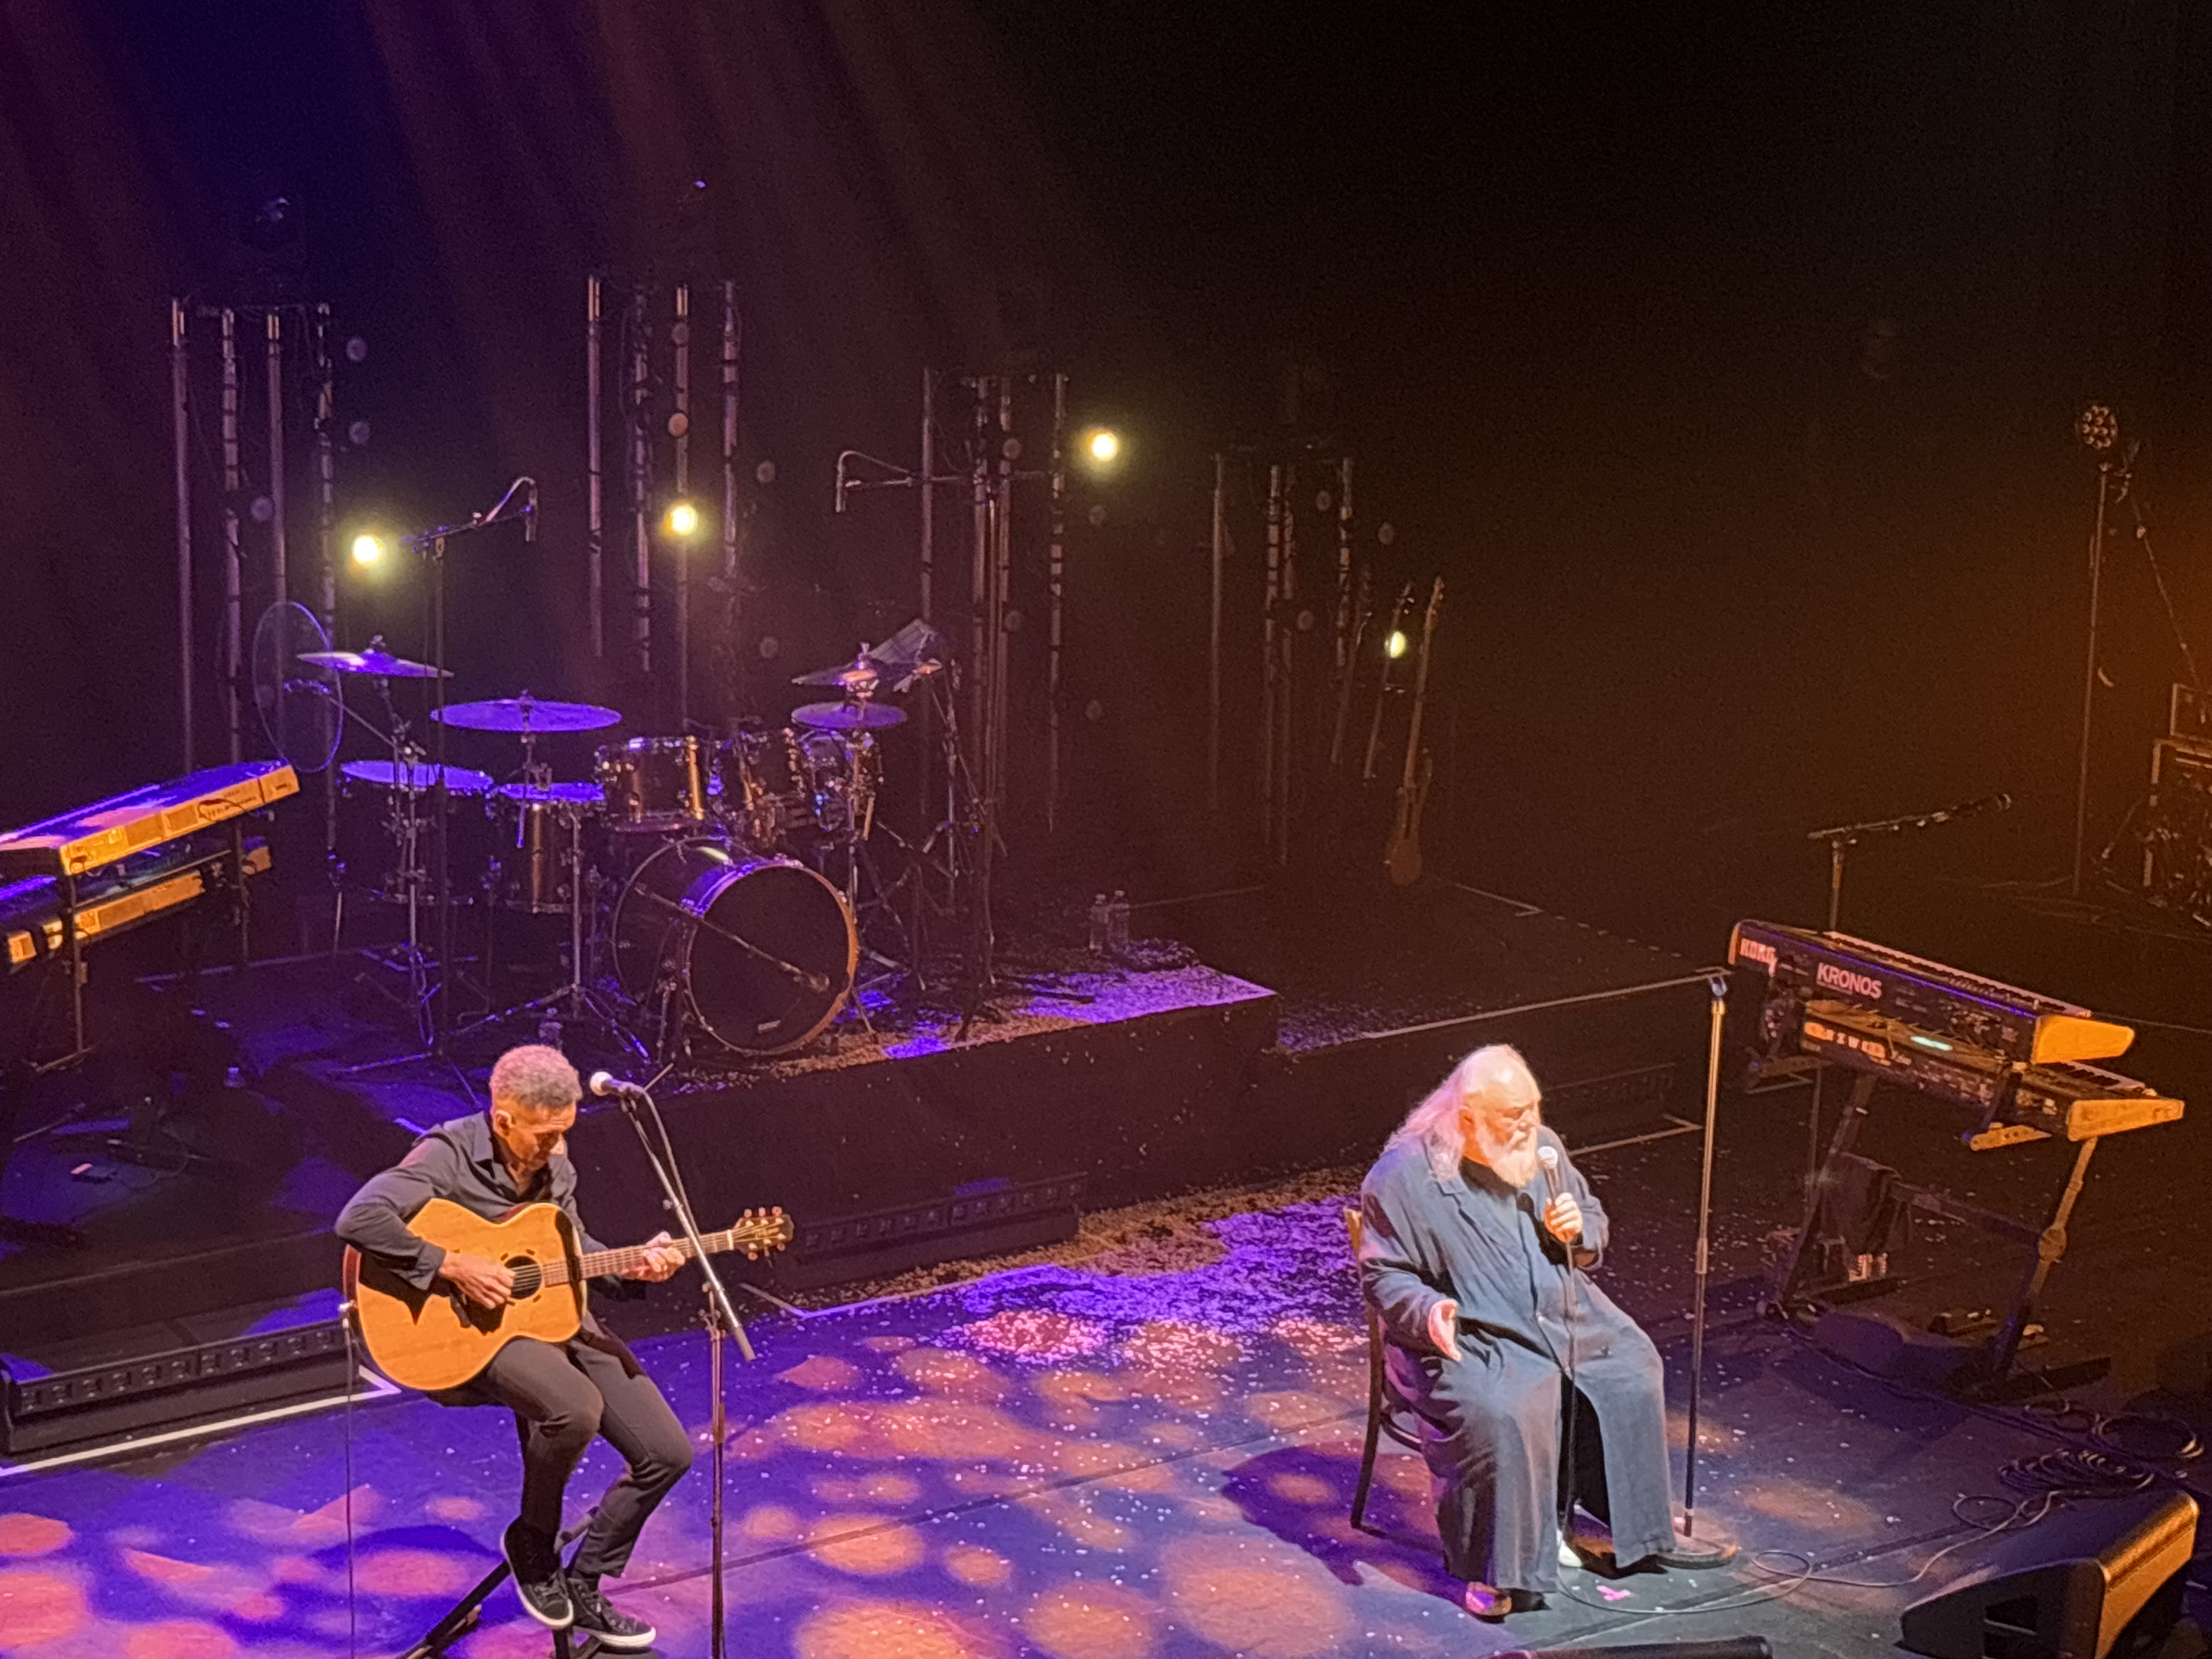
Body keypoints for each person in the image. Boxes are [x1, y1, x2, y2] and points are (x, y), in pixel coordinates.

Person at [336, 1045, 691, 1650]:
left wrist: (631, 1267)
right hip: (473, 1332)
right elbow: (359, 1218)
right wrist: (450, 1264)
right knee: (574, 1408)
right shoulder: (447, 1154)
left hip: (556, 1316)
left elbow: (568, 1251)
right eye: (544, 1135)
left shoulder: (558, 1166)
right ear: (504, 1120)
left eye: (564, 1132)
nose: (556, 1147)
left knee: (668, 1451)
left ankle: (585, 1582)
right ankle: (533, 1539)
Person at [1357, 1044, 1733, 1617]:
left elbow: (1593, 1223)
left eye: (1533, 1108)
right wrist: (1431, 1311)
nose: (1530, 1124)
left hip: (1562, 1315)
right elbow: (1384, 1275)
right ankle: (1497, 1570)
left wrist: (1578, 1232)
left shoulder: (1544, 1150)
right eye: (1514, 1115)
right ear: (1467, 1119)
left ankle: (1637, 1529)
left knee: (1631, 1368)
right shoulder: (1404, 1177)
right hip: (1473, 1333)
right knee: (1504, 1410)